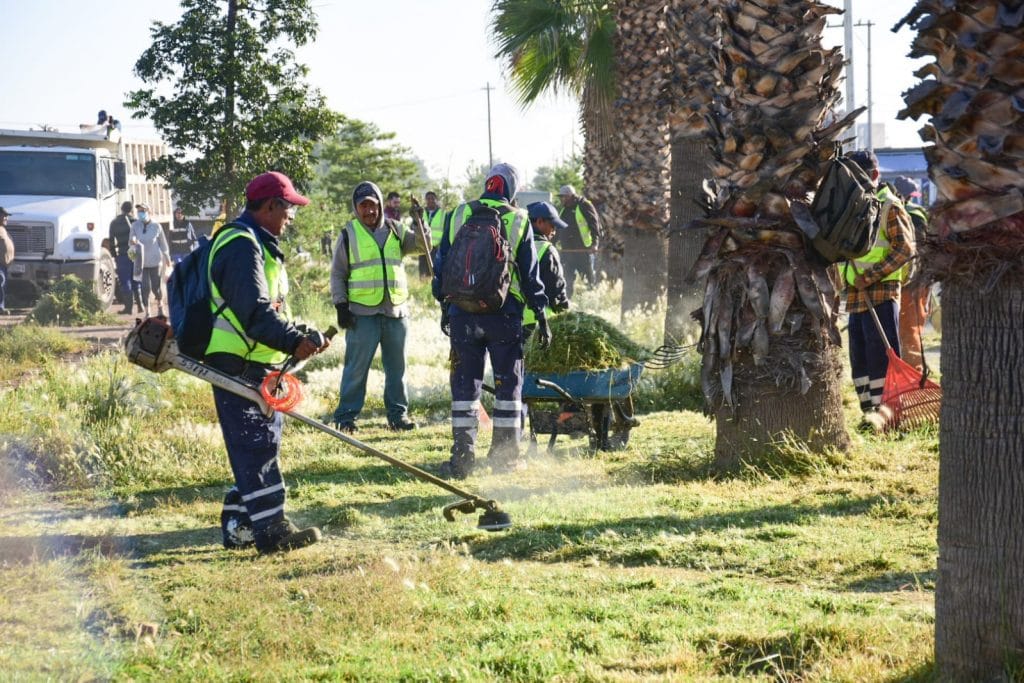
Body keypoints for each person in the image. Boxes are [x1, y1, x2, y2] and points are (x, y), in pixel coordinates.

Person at [206, 171, 331, 554]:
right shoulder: (241, 245)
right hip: (237, 364)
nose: (292, 216)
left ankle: (240, 526)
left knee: (259, 445)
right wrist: (293, 341)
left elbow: (272, 309)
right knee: (256, 447)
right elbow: (254, 313)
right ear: (270, 205)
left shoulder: (258, 244)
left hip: (257, 364)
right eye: (289, 207)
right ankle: (273, 533)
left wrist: (301, 333)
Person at [433, 163, 551, 479]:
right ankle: (505, 458)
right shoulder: (520, 219)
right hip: (504, 315)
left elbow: (441, 263)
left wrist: (445, 307)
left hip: (462, 314)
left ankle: (462, 458)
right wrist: (540, 312)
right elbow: (530, 275)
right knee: (507, 385)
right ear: (511, 190)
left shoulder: (457, 214)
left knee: (464, 386)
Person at [330, 181, 427, 433]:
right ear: (356, 208)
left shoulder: (396, 229)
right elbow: (338, 274)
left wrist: (419, 221)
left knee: (397, 369)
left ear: (380, 205)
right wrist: (341, 306)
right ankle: (346, 417)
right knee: (356, 368)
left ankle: (398, 416)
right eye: (363, 206)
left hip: (396, 312)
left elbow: (421, 247)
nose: (369, 211)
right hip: (362, 315)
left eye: (372, 205)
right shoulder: (348, 234)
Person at [842, 151, 915, 426]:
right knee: (860, 360)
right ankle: (870, 416)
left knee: (880, 357)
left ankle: (890, 414)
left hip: (881, 294)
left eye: (860, 178)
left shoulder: (889, 206)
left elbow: (905, 249)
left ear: (874, 175)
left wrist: (871, 275)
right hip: (856, 296)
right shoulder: (853, 207)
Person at [892, 176, 931, 374]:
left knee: (908, 329)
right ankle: (914, 369)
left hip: (906, 279)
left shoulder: (900, 212)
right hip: (919, 278)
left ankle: (912, 371)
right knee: (913, 327)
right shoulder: (918, 214)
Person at [556, 184, 603, 296]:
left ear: (570, 196)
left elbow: (594, 225)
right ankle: (568, 304)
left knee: (588, 280)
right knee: (567, 281)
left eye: (563, 197)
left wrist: (595, 243)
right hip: (567, 253)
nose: (561, 199)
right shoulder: (564, 210)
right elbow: (559, 229)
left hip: (583, 251)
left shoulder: (584, 205)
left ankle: (591, 302)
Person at [129, 203, 171, 317]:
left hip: (155, 261)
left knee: (156, 287)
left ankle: (160, 306)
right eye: (139, 211)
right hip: (141, 262)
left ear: (149, 212)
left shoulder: (156, 226)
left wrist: (167, 257)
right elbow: (130, 242)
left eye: (143, 211)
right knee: (145, 288)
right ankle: (148, 312)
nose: (140, 213)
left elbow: (163, 243)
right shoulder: (135, 225)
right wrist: (133, 241)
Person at [110, 201, 142, 314]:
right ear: (131, 210)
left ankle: (128, 308)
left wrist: (114, 255)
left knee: (125, 280)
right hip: (135, 253)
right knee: (136, 279)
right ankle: (140, 305)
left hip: (123, 254)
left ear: (121, 209)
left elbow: (111, 241)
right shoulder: (136, 222)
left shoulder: (114, 223)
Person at [418, 191, 444, 278]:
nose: (430, 200)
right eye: (428, 199)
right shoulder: (421, 213)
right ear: (426, 200)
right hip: (422, 245)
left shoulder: (442, 213)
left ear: (436, 200)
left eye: (432, 198)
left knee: (433, 270)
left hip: (435, 247)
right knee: (422, 269)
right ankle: (422, 286)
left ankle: (432, 285)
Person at [0, 207, 14, 314]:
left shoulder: (2, 229)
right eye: (4, 216)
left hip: (3, 265)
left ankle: (1, 306)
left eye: (6, 216)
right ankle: (0, 307)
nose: (6, 218)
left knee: (3, 285)